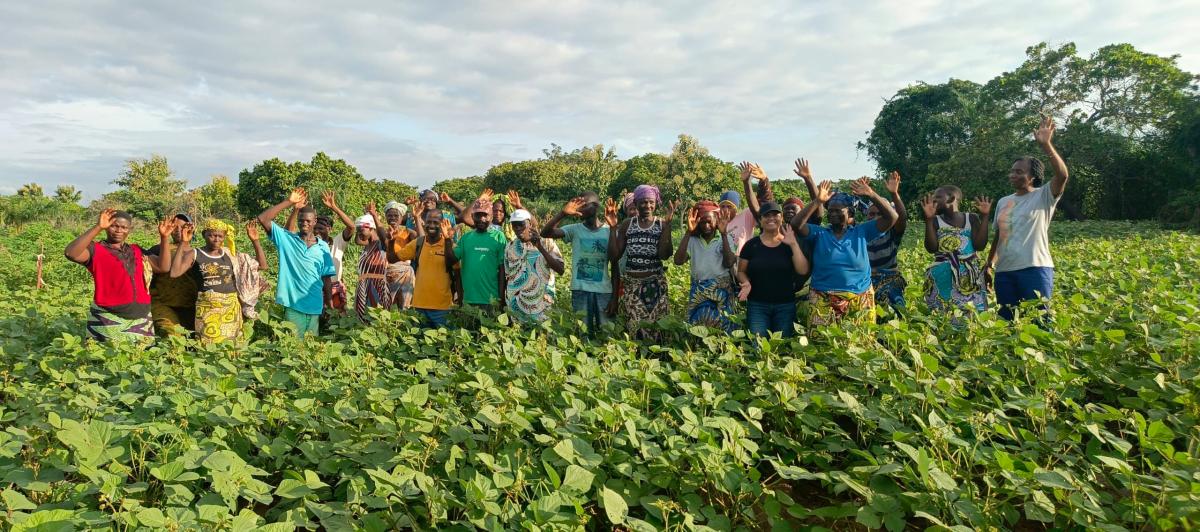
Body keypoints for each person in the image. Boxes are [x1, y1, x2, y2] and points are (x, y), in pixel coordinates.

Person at [985, 115, 1070, 322]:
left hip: (1035, 269)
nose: (1013, 175)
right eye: (1012, 171)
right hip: (1005, 271)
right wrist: (989, 264)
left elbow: (1062, 176)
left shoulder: (1043, 196)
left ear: (1032, 176)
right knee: (1007, 322)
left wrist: (1047, 145)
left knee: (1039, 321)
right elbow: (1000, 235)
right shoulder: (1004, 201)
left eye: (1019, 172)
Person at [791, 178, 898, 326]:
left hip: (859, 296)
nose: (833, 213)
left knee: (860, 344)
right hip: (823, 296)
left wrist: (871, 194)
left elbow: (892, 217)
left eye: (838, 210)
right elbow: (796, 224)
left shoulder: (862, 231)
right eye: (831, 210)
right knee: (822, 342)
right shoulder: (820, 233)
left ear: (850, 213)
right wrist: (818, 201)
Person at [64, 210, 174, 341]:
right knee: (107, 358)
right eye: (114, 226)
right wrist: (98, 227)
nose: (118, 230)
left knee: (142, 360)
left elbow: (163, 267)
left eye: (124, 227)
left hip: (141, 319)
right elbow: (71, 253)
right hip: (108, 318)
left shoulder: (137, 250)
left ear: (129, 229)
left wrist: (165, 237)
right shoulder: (96, 250)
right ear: (107, 226)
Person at [167, 220, 267, 342]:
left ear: (225, 237)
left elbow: (262, 265)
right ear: (204, 235)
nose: (216, 239)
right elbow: (174, 272)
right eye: (211, 235)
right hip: (207, 309)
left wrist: (255, 240)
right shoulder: (195, 253)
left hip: (231, 309)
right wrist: (183, 242)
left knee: (231, 348)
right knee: (208, 346)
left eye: (220, 236)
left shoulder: (230, 254)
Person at [258, 188, 336, 337]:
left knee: (310, 350)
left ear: (315, 221)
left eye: (308, 221)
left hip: (315, 305)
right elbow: (264, 219)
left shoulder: (323, 246)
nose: (304, 224)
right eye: (301, 221)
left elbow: (326, 278)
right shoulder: (287, 240)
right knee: (293, 349)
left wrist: (329, 303)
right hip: (293, 305)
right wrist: (289, 202)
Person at [541, 192, 618, 335]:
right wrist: (562, 214)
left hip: (604, 292)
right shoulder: (575, 229)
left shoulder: (609, 231)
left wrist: (615, 299)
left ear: (595, 207)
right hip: (580, 291)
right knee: (583, 335)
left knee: (607, 335)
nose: (579, 208)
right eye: (578, 204)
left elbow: (615, 263)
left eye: (584, 205)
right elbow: (545, 233)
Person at [608, 184, 676, 339]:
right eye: (643, 202)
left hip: (655, 286)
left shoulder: (661, 224)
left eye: (651, 202)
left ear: (655, 203)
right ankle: (637, 361)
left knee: (657, 329)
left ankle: (657, 360)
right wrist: (613, 228)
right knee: (634, 328)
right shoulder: (628, 224)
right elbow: (614, 256)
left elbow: (665, 255)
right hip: (632, 285)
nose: (648, 205)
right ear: (636, 203)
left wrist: (668, 226)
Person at [737, 202, 810, 336]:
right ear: (760, 220)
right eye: (766, 215)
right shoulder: (751, 245)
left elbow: (803, 270)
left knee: (782, 346)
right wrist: (746, 283)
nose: (771, 218)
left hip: (785, 305)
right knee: (758, 346)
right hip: (757, 305)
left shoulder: (789, 244)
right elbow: (741, 271)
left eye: (775, 215)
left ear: (781, 218)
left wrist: (793, 243)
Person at [920, 187, 991, 315]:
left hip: (969, 276)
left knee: (972, 315)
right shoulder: (936, 221)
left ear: (951, 199)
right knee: (943, 316)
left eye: (937, 198)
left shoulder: (972, 218)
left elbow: (979, 245)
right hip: (943, 276)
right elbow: (931, 248)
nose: (933, 201)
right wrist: (929, 220)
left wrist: (985, 217)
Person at [675, 200, 737, 331]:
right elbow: (678, 261)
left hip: (721, 290)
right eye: (702, 222)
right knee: (698, 326)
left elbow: (729, 262)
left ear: (717, 220)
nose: (706, 225)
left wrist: (724, 234)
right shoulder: (692, 240)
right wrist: (688, 232)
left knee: (723, 326)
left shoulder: (725, 238)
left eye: (709, 221)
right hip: (699, 290)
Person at [393, 208, 460, 327]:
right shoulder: (417, 244)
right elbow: (393, 259)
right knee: (418, 343)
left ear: (442, 223)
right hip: (419, 307)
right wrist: (391, 241)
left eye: (435, 222)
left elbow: (458, 276)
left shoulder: (450, 247)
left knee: (443, 343)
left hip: (443, 309)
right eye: (429, 221)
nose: (431, 225)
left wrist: (460, 300)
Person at [503, 209, 564, 323]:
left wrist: (539, 247)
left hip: (541, 305)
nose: (518, 229)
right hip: (516, 305)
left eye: (521, 225)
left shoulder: (546, 242)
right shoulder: (510, 246)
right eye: (514, 226)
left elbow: (560, 269)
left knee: (541, 338)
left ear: (530, 224)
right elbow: (508, 275)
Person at [454, 191, 508, 310]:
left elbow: (502, 269)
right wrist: (447, 240)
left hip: (491, 300)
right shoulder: (465, 238)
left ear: (491, 216)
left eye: (485, 215)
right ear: (472, 216)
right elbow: (452, 260)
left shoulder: (499, 237)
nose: (482, 219)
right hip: (468, 299)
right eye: (478, 215)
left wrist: (501, 298)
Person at [865, 171, 909, 315]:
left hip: (889, 284)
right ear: (866, 216)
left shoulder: (892, 234)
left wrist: (894, 194)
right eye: (872, 214)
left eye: (881, 214)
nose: (876, 218)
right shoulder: (860, 234)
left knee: (893, 322)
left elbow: (901, 218)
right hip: (865, 285)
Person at [148, 213, 198, 336]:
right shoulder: (158, 249)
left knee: (192, 343)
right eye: (175, 227)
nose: (178, 230)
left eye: (183, 227)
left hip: (190, 307)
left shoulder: (198, 253)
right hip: (163, 304)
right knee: (172, 338)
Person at [347, 204, 394, 322]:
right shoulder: (367, 246)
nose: (359, 233)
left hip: (377, 287)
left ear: (372, 228)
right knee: (363, 322)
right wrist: (362, 224)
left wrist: (374, 216)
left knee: (378, 320)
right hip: (363, 288)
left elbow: (382, 235)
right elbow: (357, 241)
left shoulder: (381, 244)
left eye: (361, 230)